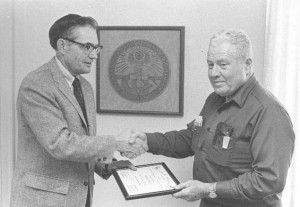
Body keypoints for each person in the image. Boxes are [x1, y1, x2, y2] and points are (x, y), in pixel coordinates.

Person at [127, 29, 295, 207]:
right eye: (210, 64)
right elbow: (192, 138)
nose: (213, 73)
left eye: (223, 65)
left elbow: (269, 181)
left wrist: (208, 189)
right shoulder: (214, 99)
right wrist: (147, 141)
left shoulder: (269, 112)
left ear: (247, 65)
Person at [10, 14, 146, 207]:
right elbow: (60, 144)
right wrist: (116, 142)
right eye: (87, 46)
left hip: (79, 199)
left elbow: (82, 144)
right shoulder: (36, 84)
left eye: (97, 48)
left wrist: (108, 165)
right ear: (63, 45)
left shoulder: (85, 87)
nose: (94, 55)